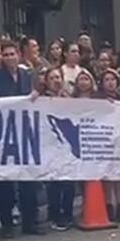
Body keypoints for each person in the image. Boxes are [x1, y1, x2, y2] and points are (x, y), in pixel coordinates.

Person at [0, 41, 43, 237]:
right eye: (6, 54)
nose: (10, 57)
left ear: (18, 55)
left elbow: (35, 95)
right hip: (4, 132)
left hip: (25, 131)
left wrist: (34, 95)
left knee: (28, 178)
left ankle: (30, 222)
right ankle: (7, 223)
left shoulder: (27, 74)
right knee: (5, 181)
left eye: (12, 54)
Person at [98, 69, 120, 223]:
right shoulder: (97, 99)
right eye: (106, 79)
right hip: (104, 142)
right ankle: (109, 206)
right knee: (108, 175)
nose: (110, 82)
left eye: (113, 79)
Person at [43, 69, 74, 231]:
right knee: (53, 182)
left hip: (66, 146)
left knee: (69, 181)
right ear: (46, 81)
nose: (56, 80)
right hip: (49, 145)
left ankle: (68, 214)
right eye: (52, 78)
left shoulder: (68, 98)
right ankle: (54, 214)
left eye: (58, 77)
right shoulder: (42, 99)